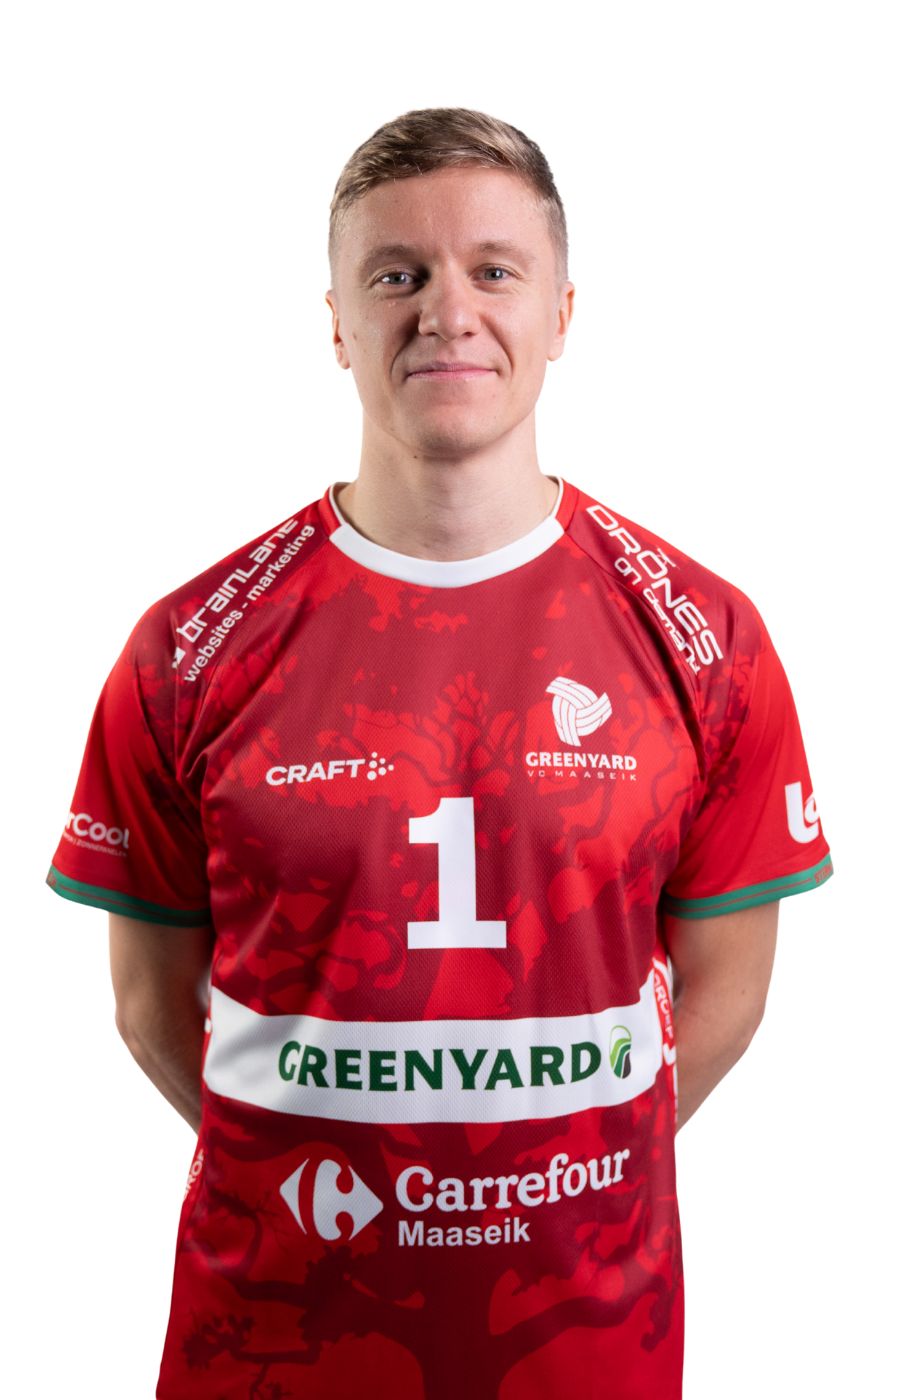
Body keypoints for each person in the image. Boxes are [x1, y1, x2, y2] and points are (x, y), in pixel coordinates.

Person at [45, 106, 833, 1400]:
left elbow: (730, 995)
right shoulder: (189, 647)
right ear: (338, 324)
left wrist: (553, 1166)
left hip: (585, 1353)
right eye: (398, 274)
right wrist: (325, 1166)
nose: (447, 312)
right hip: (274, 1350)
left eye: (494, 270)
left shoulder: (705, 636)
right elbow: (148, 1006)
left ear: (562, 314)